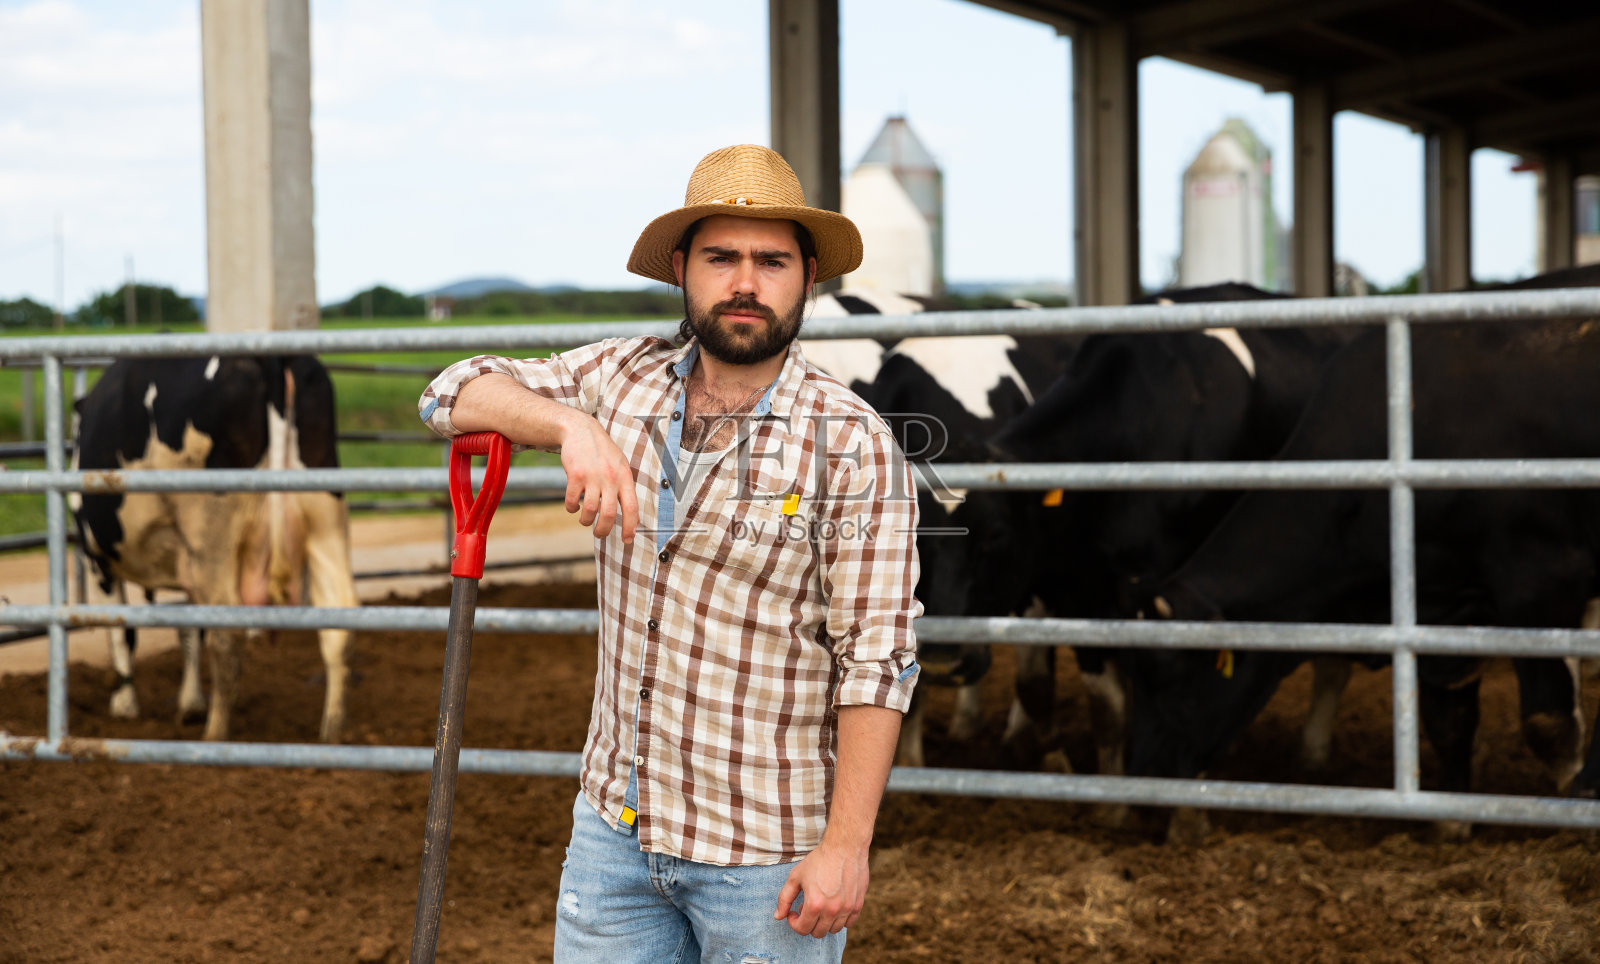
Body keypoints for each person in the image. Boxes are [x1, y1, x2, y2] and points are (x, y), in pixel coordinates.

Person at [418, 143, 921, 963]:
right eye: (721, 258)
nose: (746, 283)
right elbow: (450, 389)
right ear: (682, 268)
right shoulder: (619, 380)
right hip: (614, 836)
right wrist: (570, 427)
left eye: (772, 261)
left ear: (809, 276)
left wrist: (847, 846)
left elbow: (878, 657)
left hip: (766, 858)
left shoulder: (855, 444)